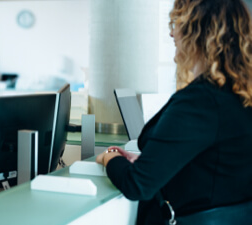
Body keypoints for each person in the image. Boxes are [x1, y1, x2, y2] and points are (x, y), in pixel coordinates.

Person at [96, 0, 252, 224]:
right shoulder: (239, 94)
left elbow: (137, 185)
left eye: (176, 23)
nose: (171, 34)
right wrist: (153, 161)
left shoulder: (200, 101)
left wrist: (109, 158)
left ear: (197, 32)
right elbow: (216, 165)